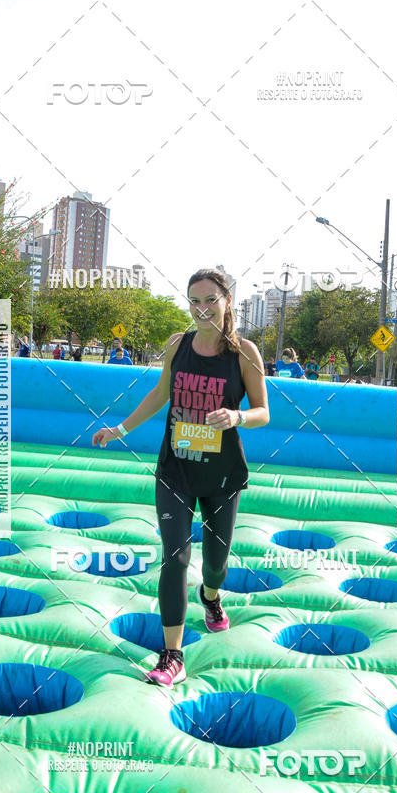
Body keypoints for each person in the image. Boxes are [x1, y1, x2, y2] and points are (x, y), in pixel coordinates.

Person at [92, 268, 269, 688]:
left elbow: (263, 411)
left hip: (222, 475)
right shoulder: (177, 345)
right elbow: (160, 394)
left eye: (210, 299)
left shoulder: (244, 353)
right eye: (194, 300)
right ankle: (172, 654)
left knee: (215, 565)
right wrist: (121, 429)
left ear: (227, 301)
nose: (202, 308)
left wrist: (238, 415)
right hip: (176, 469)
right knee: (175, 557)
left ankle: (211, 597)